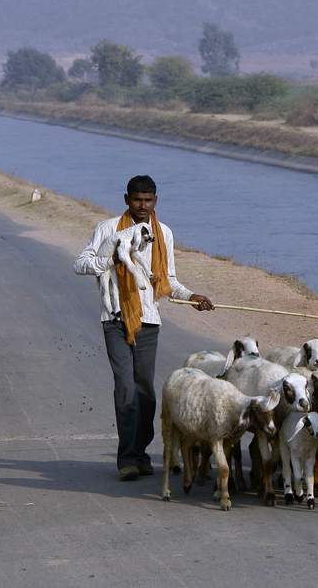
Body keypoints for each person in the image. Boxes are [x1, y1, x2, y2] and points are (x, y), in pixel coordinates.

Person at [74, 175, 214, 481]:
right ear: (126, 199)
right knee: (125, 388)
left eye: (148, 200)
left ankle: (140, 452)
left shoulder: (163, 233)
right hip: (115, 318)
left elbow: (168, 281)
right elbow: (80, 263)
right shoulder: (109, 229)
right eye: (137, 200)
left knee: (145, 392)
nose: (142, 206)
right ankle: (127, 459)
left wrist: (193, 297)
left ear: (156, 201)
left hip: (149, 321)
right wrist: (112, 258)